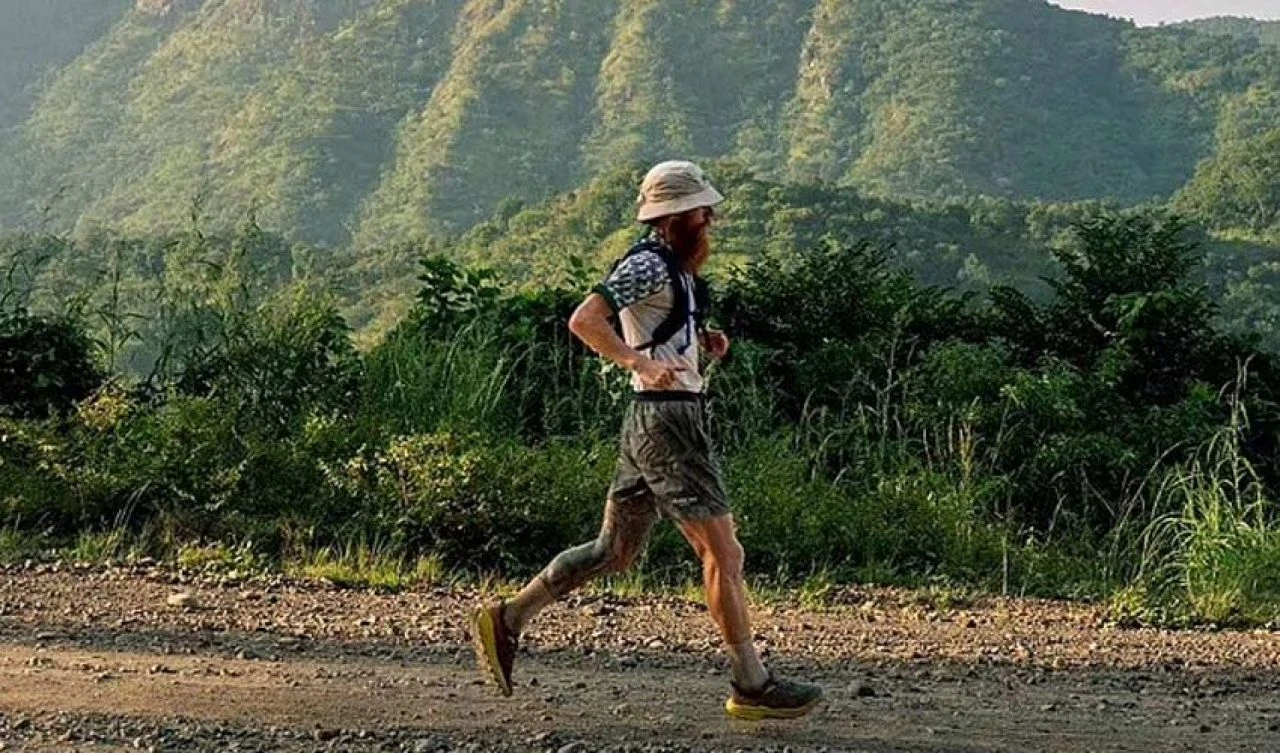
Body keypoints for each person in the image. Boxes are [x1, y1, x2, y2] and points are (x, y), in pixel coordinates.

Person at [471, 160, 823, 720]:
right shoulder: (648, 265)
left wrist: (699, 343)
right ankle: (750, 682)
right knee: (723, 552)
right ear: (676, 216)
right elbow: (585, 319)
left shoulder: (675, 269)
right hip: (668, 424)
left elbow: (653, 328)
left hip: (653, 421)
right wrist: (635, 360)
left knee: (615, 552)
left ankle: (509, 618)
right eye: (702, 210)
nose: (711, 217)